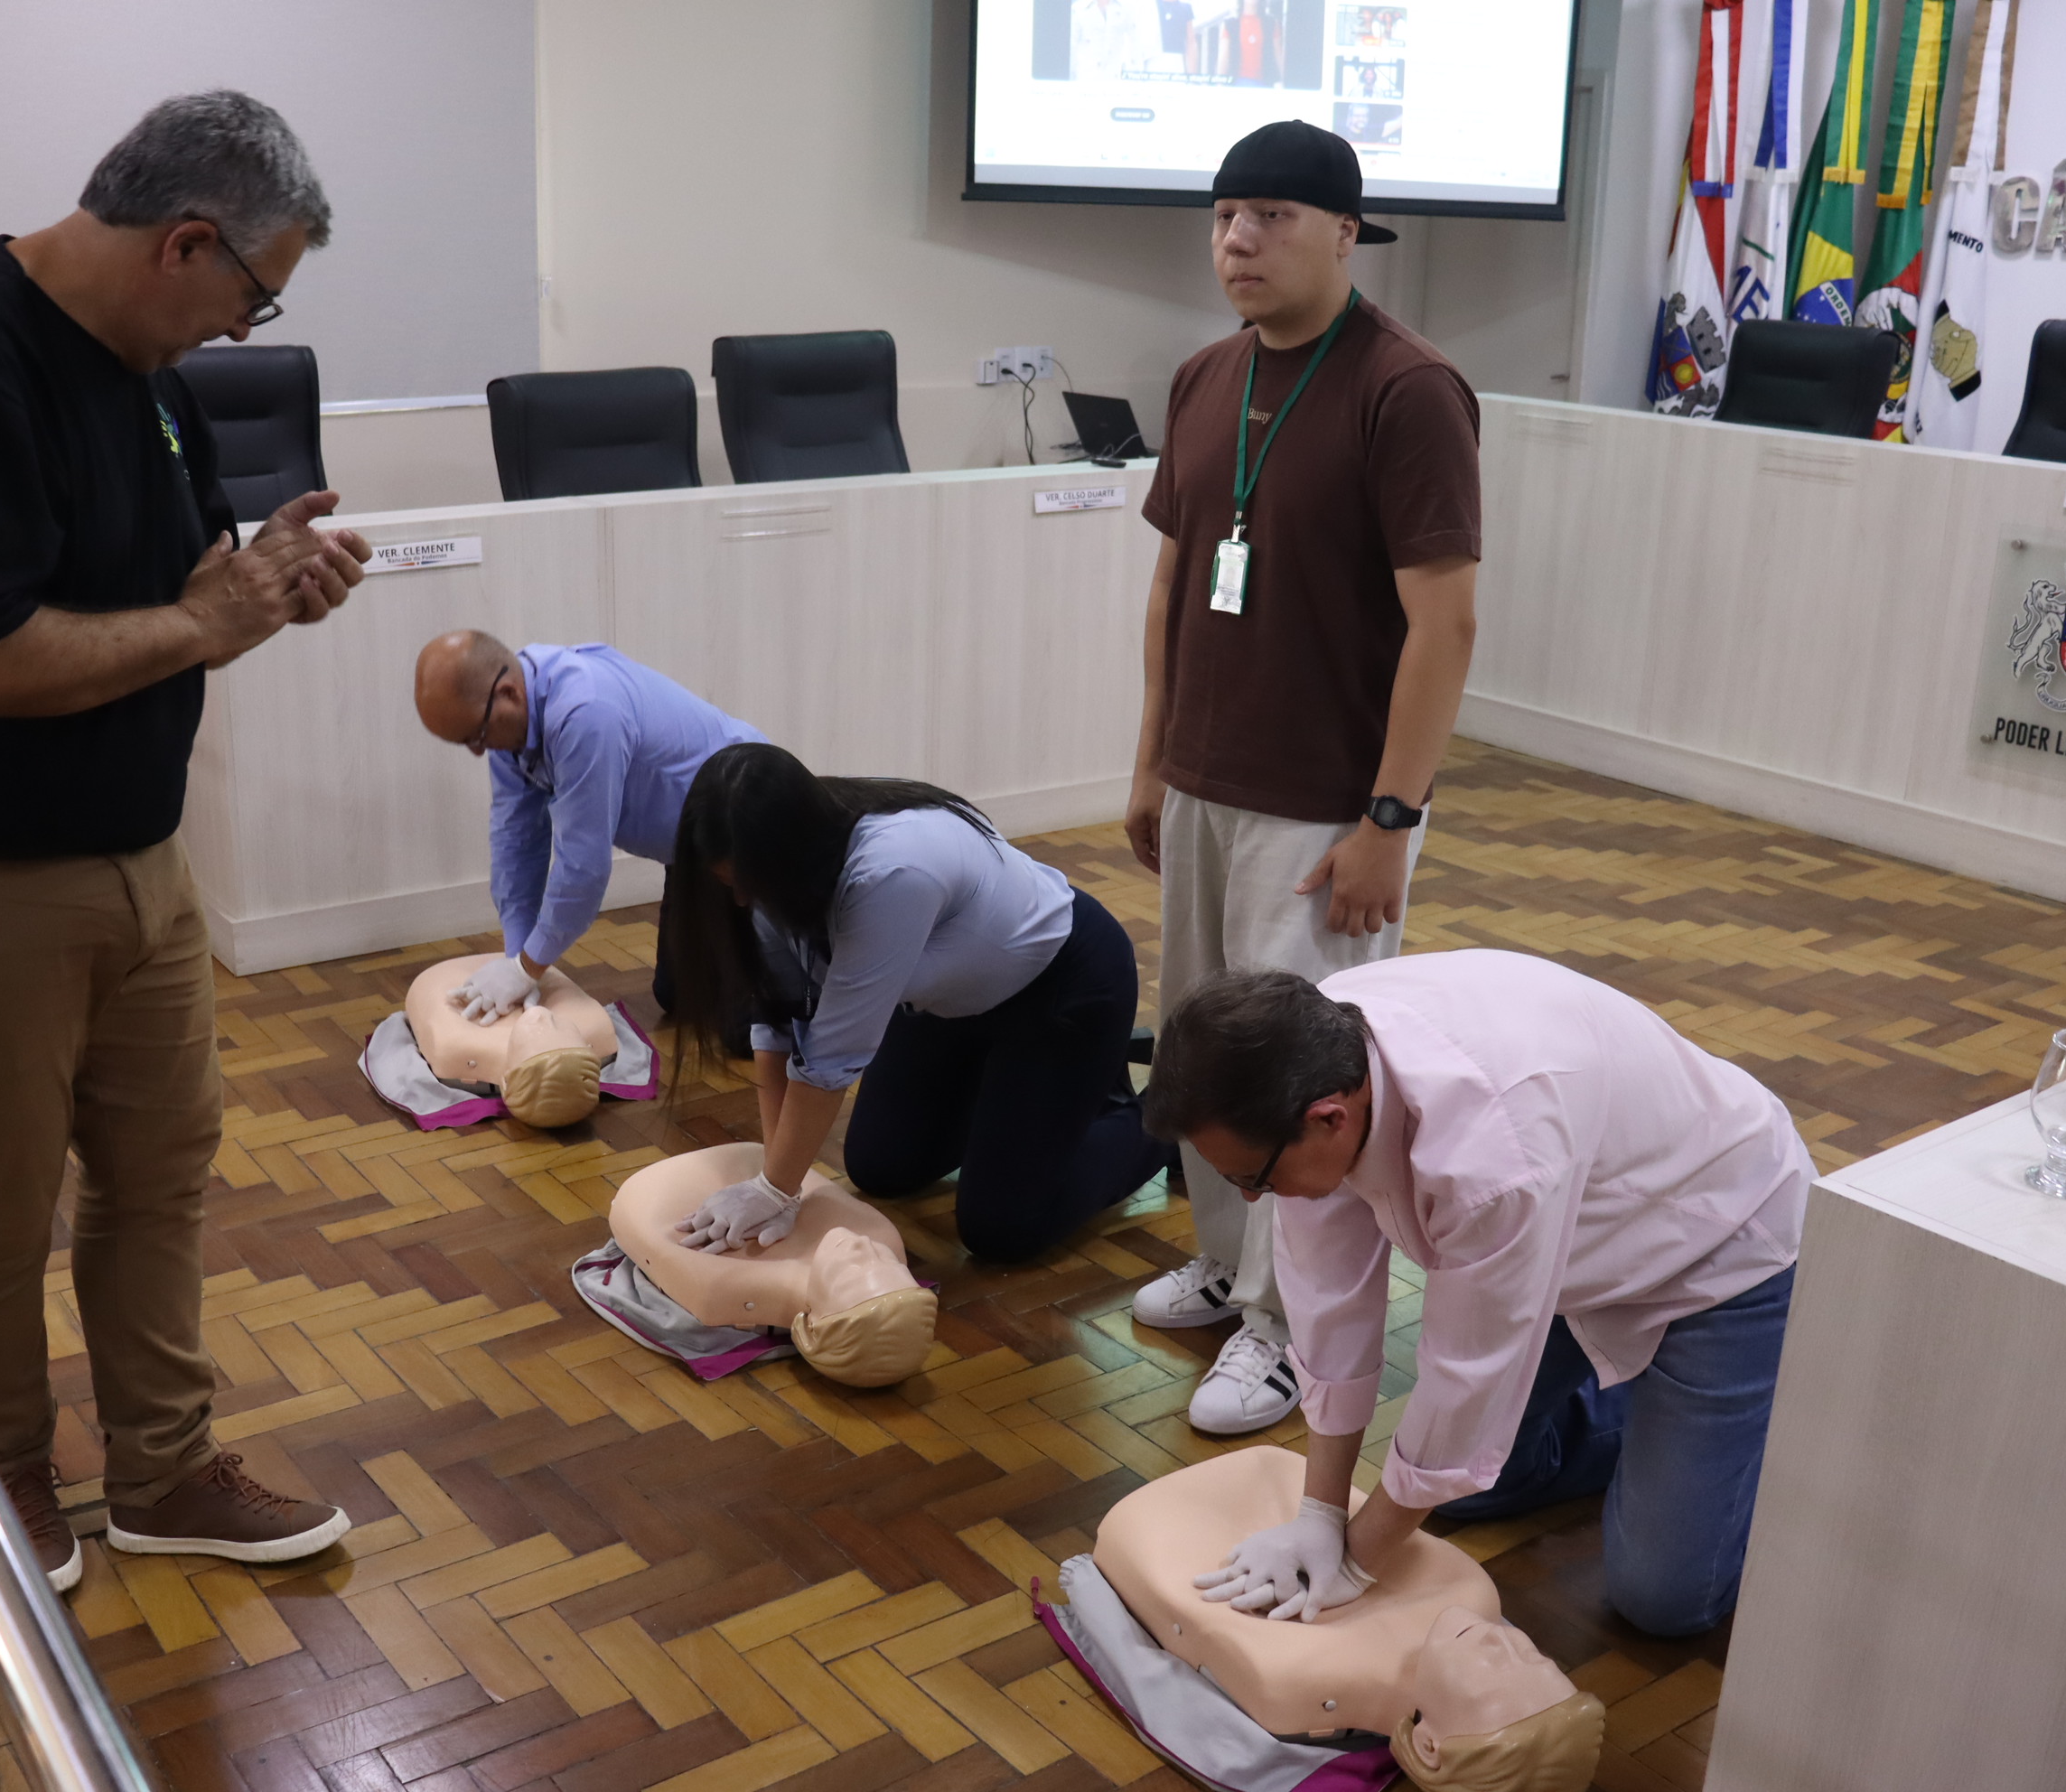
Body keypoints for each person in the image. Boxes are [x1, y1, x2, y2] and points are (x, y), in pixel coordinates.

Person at [0, 92, 370, 1592]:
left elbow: (185, 590)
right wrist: (203, 617)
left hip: (134, 861)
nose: (246, 328)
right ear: (185, 241)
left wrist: (264, 584)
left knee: (157, 1175)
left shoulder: (149, 381)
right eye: (255, 292)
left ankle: (164, 1469)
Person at [1124, 118, 1480, 1436]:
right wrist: (1156, 755)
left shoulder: (1409, 389)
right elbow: (1172, 579)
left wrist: (1393, 816)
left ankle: (1289, 1334)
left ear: (1346, 230)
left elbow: (1445, 622)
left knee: (1300, 1081)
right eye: (1224, 215)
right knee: (1206, 1045)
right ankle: (1228, 1267)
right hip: (1209, 781)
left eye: (1271, 214)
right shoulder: (1205, 376)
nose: (1238, 240)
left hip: (1330, 803)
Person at [1144, 951, 1811, 1638]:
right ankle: (1670, 1434)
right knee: (1470, 1489)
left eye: (1252, 1176)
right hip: (1574, 1244)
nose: (1252, 1195)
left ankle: (1743, 1431)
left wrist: (1357, 1565)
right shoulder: (1311, 1054)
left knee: (1663, 1600)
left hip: (1720, 1246)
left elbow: (1467, 1378)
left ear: (1329, 1119)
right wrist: (1321, 1515)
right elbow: (1328, 1304)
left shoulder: (1493, 1156)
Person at [659, 743, 1171, 1265]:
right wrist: (777, 1180)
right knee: (883, 1167)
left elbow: (831, 1059)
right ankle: (1045, 1100)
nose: (742, 901)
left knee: (1003, 1226)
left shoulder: (889, 872)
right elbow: (779, 1026)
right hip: (943, 1004)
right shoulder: (771, 868)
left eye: (748, 884)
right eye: (728, 885)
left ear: (792, 851)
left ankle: (1165, 1118)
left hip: (1061, 993)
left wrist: (774, 1190)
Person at [413, 632, 762, 1026]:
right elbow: (516, 845)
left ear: (508, 694)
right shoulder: (508, 728)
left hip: (750, 829)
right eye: (465, 743)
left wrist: (527, 969)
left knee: (751, 1026)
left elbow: (584, 867)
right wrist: (517, 959)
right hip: (687, 851)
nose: (479, 751)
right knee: (678, 996)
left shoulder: (586, 712)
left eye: (476, 736)